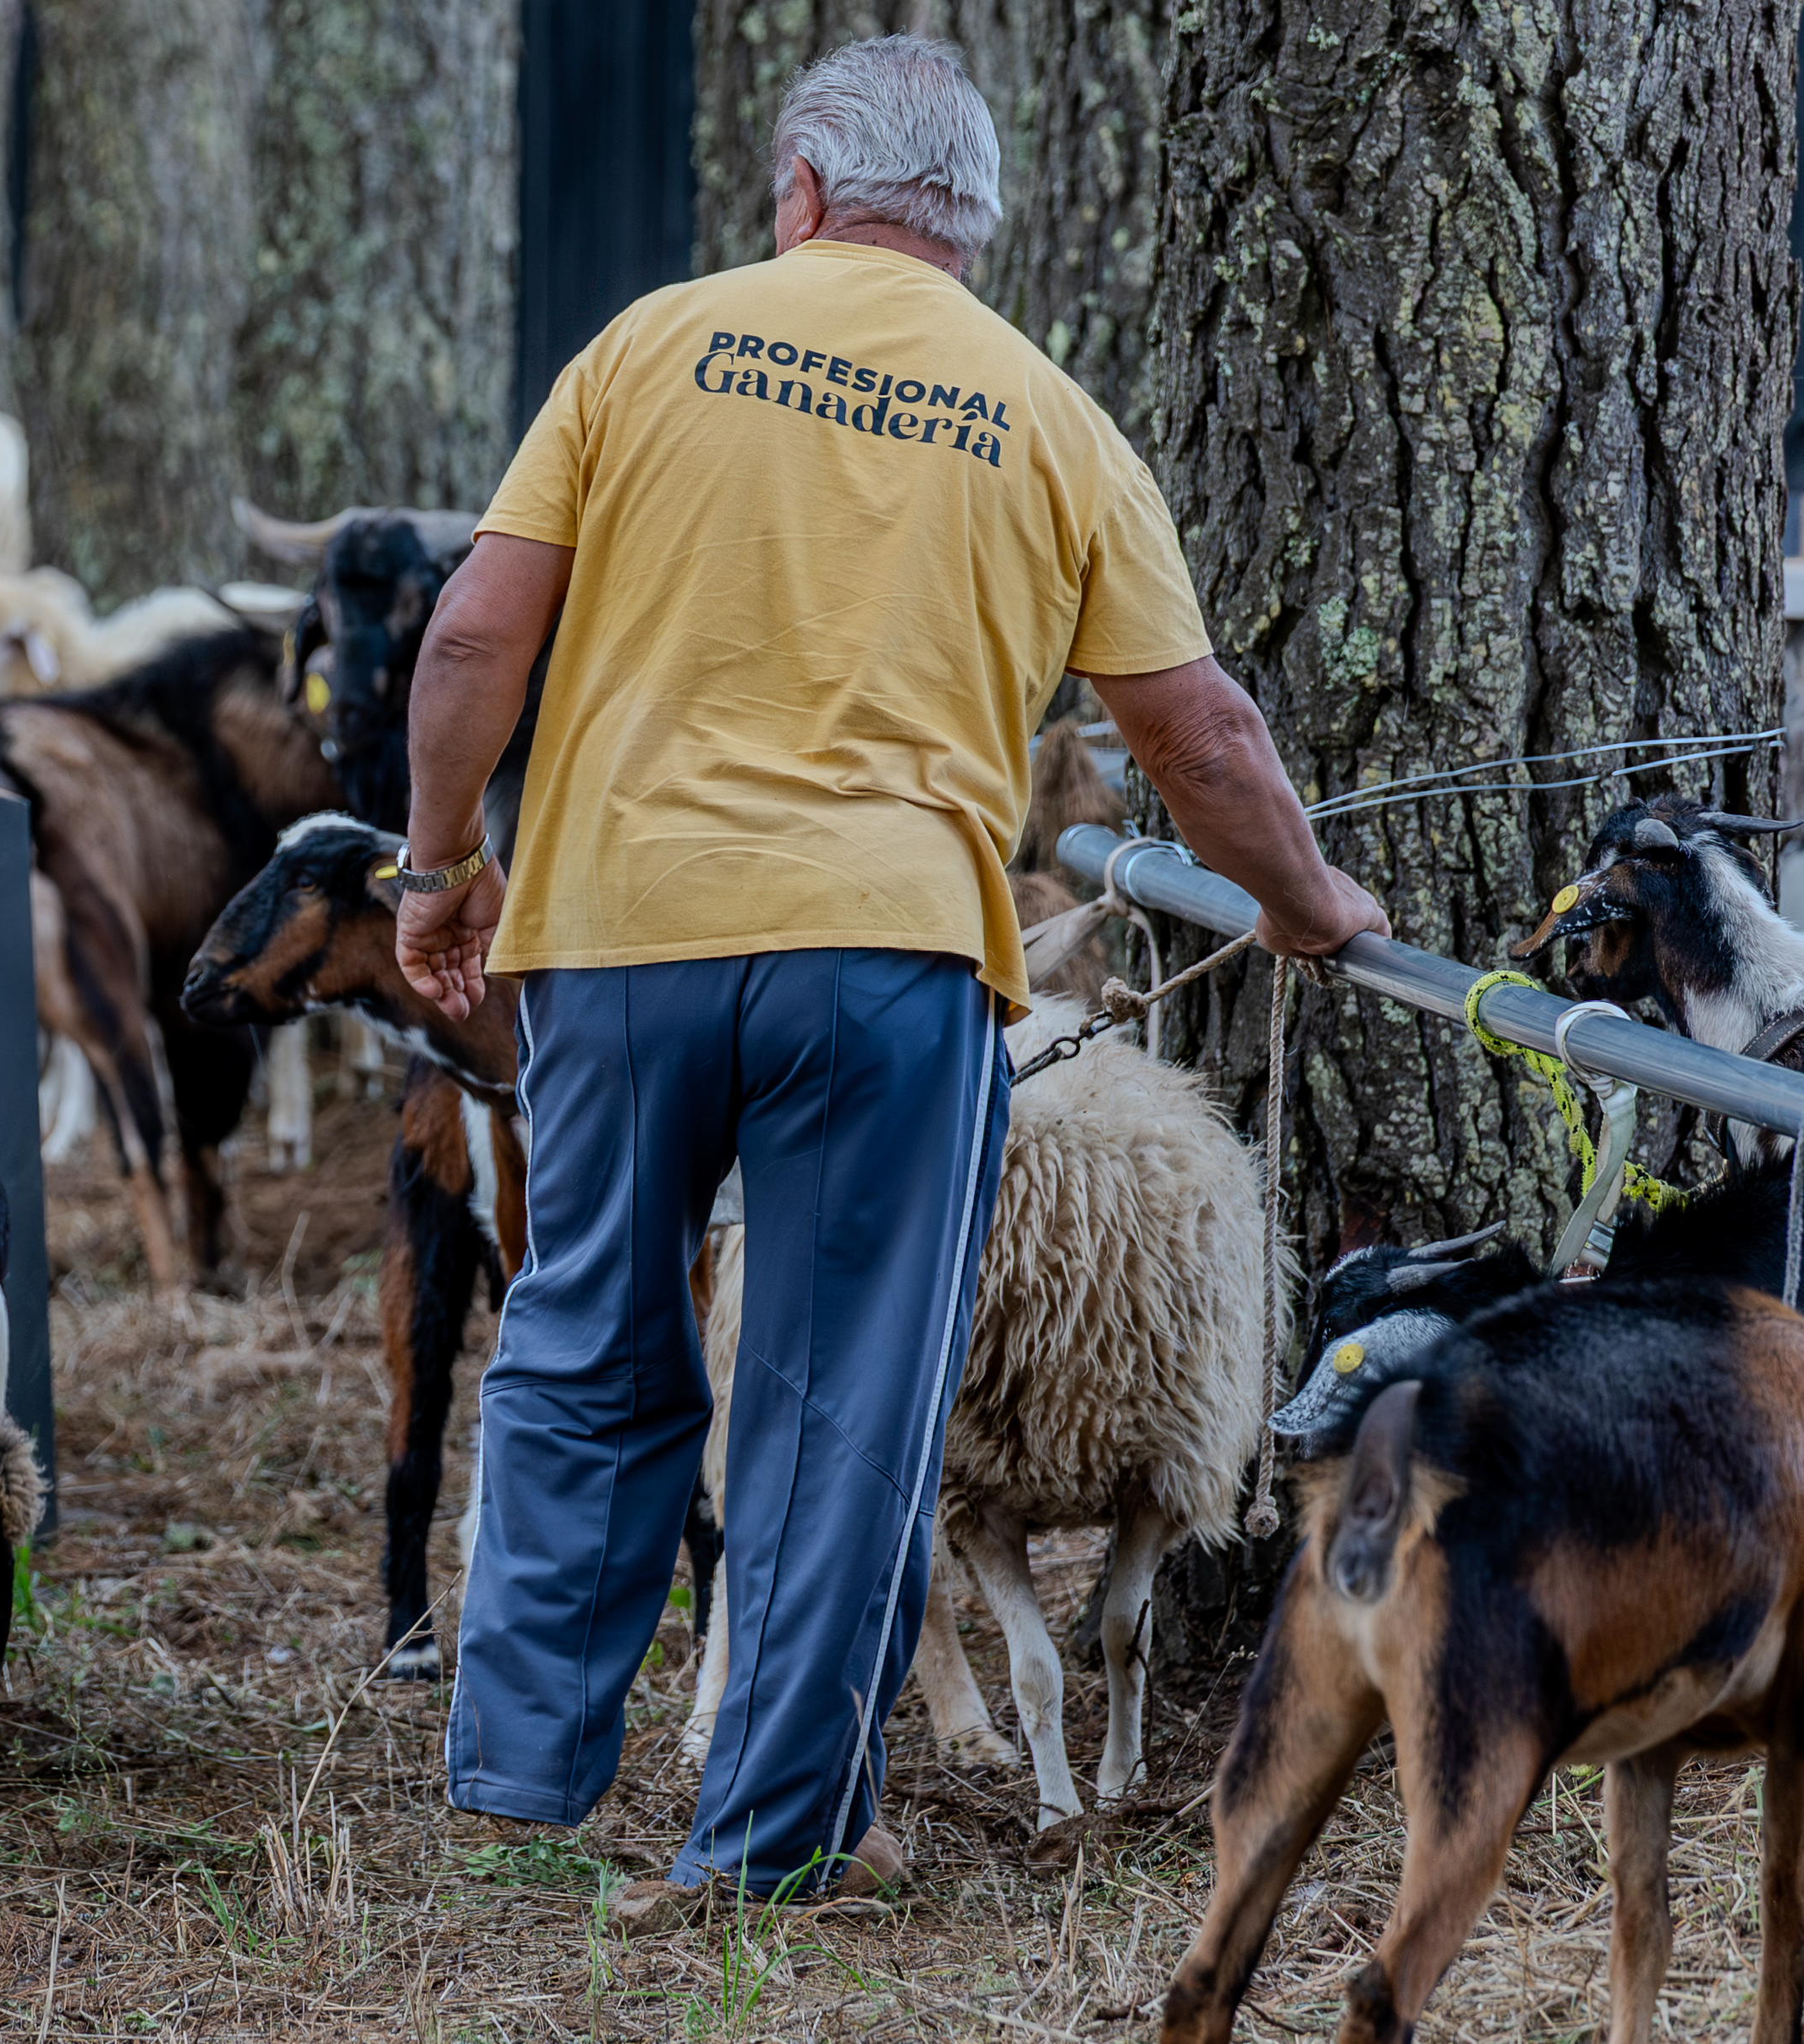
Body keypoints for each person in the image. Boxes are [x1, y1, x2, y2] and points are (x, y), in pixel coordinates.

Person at [393, 36, 1387, 1921]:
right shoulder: (1050, 416)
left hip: (619, 932)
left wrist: (441, 865)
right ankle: (762, 1843)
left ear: (799, 191)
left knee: (589, 1326)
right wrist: (1308, 898)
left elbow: (468, 640)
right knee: (842, 1403)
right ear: (976, 231)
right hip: (889, 956)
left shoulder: (645, 346)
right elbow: (1196, 730)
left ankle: (523, 1768)